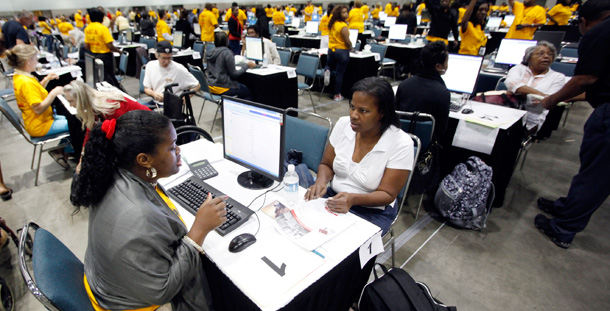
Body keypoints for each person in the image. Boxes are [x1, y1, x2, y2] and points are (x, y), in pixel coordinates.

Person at [71, 110, 225, 310]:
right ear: (144, 160)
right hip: (121, 300)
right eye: (171, 148)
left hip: (105, 279)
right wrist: (200, 229)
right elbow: (162, 291)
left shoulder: (112, 172)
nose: (178, 151)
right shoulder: (140, 215)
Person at [536, 0, 610, 249]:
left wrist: (554, 99)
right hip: (604, 106)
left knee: (596, 175)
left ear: (583, 21)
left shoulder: (598, 34)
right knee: (591, 168)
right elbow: (597, 85)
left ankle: (563, 229)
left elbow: (586, 79)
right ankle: (567, 207)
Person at [305, 77, 413, 235]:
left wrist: (353, 199)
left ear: (381, 113)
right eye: (352, 107)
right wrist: (321, 182)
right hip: (334, 198)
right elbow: (327, 164)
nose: (353, 115)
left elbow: (388, 194)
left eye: (363, 111)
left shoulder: (401, 143)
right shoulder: (343, 125)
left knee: (340, 249)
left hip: (372, 211)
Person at [6, 44, 76, 167]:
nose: (37, 61)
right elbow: (38, 108)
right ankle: (67, 150)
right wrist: (53, 93)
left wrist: (47, 79)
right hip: (41, 124)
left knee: (74, 118)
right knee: (78, 123)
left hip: (36, 121)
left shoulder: (20, 76)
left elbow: (35, 93)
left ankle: (62, 150)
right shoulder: (26, 82)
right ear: (28, 61)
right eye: (35, 58)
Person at [62, 80, 150, 172]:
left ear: (81, 99)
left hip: (147, 129)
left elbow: (129, 132)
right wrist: (81, 159)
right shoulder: (95, 106)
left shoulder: (108, 107)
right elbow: (89, 132)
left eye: (71, 101)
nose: (71, 105)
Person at [504, 41, 574, 132]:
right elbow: (511, 83)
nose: (546, 56)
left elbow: (547, 101)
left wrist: (517, 92)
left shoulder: (558, 77)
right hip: (507, 112)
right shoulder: (519, 68)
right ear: (529, 58)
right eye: (541, 54)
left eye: (550, 54)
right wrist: (539, 94)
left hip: (531, 120)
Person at [395, 41, 450, 139]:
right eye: (446, 62)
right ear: (438, 66)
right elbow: (441, 130)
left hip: (400, 138)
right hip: (425, 143)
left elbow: (394, 115)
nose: (447, 65)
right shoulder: (442, 92)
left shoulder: (404, 84)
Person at [143, 41, 200, 105]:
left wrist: (186, 98)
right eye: (163, 58)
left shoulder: (179, 69)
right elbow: (147, 88)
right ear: (156, 55)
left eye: (169, 58)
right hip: (155, 102)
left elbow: (197, 85)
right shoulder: (150, 65)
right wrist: (154, 94)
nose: (166, 61)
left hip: (171, 105)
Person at [206, 32, 255, 100]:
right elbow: (234, 74)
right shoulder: (227, 53)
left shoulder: (210, 52)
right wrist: (246, 66)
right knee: (247, 92)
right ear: (227, 41)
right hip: (223, 87)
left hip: (210, 86)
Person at [84, 8, 123, 89]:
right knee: (110, 77)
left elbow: (86, 46)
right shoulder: (103, 28)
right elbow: (110, 45)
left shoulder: (87, 28)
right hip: (105, 56)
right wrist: (119, 51)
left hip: (94, 56)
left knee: (101, 77)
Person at [324, 5, 353, 102]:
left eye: (346, 12)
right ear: (339, 14)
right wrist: (351, 48)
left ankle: (327, 70)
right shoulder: (343, 26)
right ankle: (337, 95)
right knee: (339, 74)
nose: (346, 14)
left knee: (328, 65)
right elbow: (347, 41)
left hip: (331, 50)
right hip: (342, 51)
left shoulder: (332, 24)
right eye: (344, 12)